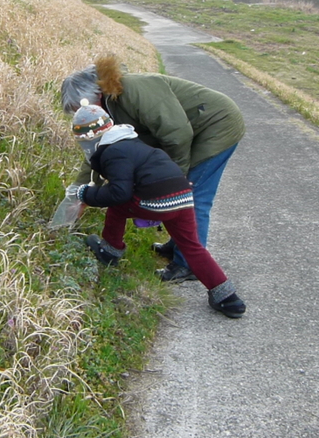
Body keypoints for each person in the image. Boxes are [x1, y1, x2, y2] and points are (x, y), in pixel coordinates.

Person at [61, 55, 245, 282]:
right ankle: (177, 245)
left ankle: (187, 264)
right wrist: (80, 194)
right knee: (179, 195)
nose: (84, 116)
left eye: (82, 108)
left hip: (216, 125)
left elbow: (177, 135)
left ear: (95, 95)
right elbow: (97, 155)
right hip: (192, 130)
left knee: (191, 196)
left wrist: (178, 178)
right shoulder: (107, 109)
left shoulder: (133, 91)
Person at [71, 99, 245, 318]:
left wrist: (85, 194)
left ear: (90, 138)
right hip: (183, 196)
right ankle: (227, 298)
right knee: (192, 246)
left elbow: (119, 193)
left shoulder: (113, 152)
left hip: (158, 201)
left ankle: (110, 250)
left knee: (118, 207)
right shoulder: (134, 143)